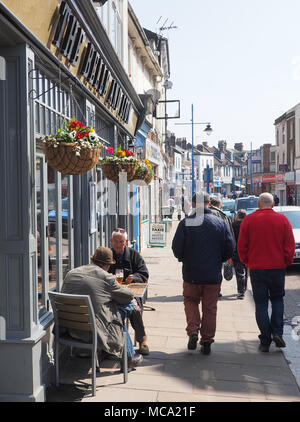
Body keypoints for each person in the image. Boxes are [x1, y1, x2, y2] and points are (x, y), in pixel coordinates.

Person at [172, 192, 235, 355]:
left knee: (190, 301)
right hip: (212, 274)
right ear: (209, 204)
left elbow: (176, 248)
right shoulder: (220, 223)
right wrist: (219, 259)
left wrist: (182, 258)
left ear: (193, 204)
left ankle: (193, 331)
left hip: (191, 273)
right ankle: (206, 340)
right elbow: (230, 247)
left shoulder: (186, 222)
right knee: (210, 308)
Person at [61, 246, 143, 370]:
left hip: (68, 329)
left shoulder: (72, 273)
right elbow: (128, 296)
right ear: (107, 265)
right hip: (93, 332)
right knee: (127, 306)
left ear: (93, 261)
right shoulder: (106, 277)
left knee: (110, 309)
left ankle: (117, 353)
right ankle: (128, 357)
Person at [238, 192, 295, 353]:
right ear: (273, 204)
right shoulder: (282, 220)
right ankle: (277, 332)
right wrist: (286, 262)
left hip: (257, 268)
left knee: (261, 304)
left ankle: (265, 339)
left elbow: (242, 246)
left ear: (258, 204)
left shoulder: (248, 220)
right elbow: (289, 245)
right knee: (277, 300)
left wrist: (247, 262)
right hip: (277, 268)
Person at [108, 228, 150, 356]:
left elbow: (144, 273)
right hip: (112, 293)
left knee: (135, 309)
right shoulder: (107, 255)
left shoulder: (133, 255)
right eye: (116, 241)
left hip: (130, 292)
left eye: (121, 241)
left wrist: (135, 277)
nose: (118, 244)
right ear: (111, 241)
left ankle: (142, 339)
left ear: (126, 242)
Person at [209, 196, 235, 298]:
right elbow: (228, 234)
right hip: (217, 249)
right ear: (219, 205)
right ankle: (216, 291)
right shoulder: (222, 215)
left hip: (201, 249)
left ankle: (204, 290)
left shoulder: (198, 214)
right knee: (217, 271)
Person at [232, 209, 248, 299]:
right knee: (245, 270)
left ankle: (241, 291)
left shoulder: (233, 225)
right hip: (247, 250)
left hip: (236, 251)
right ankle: (244, 289)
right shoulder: (247, 224)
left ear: (238, 215)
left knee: (239, 272)